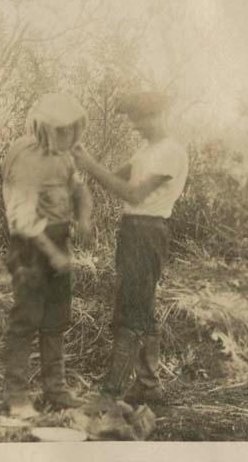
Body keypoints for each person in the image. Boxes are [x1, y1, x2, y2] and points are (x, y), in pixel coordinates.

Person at [71, 91, 188, 406]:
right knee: (142, 309)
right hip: (133, 232)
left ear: (156, 115)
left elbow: (133, 194)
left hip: (148, 232)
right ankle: (148, 385)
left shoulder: (171, 152)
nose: (136, 127)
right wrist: (77, 157)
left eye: (139, 119)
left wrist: (91, 166)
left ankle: (109, 395)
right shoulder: (146, 153)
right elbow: (111, 178)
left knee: (130, 313)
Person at [1, 93, 92, 418]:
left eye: (73, 130)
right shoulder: (25, 158)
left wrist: (83, 219)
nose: (70, 137)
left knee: (56, 320)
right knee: (26, 320)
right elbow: (22, 220)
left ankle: (56, 389)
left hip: (58, 241)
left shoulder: (65, 156)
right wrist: (53, 254)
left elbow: (80, 190)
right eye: (63, 130)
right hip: (30, 248)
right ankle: (18, 396)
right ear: (46, 128)